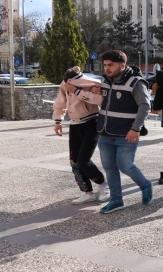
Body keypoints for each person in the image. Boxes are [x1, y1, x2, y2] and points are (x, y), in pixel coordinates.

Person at [96, 50, 153, 214]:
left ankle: (145, 185)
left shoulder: (136, 82)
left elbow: (145, 106)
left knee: (125, 166)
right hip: (105, 133)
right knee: (109, 168)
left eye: (110, 65)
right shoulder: (104, 80)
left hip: (126, 134)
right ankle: (116, 200)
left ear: (122, 65)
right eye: (105, 65)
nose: (107, 68)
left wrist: (136, 128)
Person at [52, 66, 110, 205]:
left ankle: (103, 185)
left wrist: (77, 91)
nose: (67, 85)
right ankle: (87, 192)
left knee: (83, 160)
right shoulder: (65, 84)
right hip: (75, 124)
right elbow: (61, 102)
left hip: (92, 123)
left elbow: (100, 100)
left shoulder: (91, 84)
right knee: (74, 161)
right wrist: (58, 121)